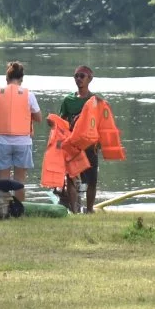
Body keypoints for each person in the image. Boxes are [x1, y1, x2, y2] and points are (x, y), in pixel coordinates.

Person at [0, 61, 41, 191]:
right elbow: (39, 118)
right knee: (20, 182)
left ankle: (4, 209)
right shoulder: (28, 95)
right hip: (23, 142)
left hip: (3, 142)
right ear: (21, 79)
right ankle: (19, 209)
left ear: (6, 78)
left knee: (3, 181)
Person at [54, 66, 105, 213]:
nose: (78, 79)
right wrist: (54, 125)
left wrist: (100, 144)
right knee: (71, 178)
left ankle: (89, 210)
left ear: (90, 79)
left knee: (92, 180)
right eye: (76, 76)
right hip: (73, 145)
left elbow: (102, 124)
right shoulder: (68, 100)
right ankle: (74, 210)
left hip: (91, 146)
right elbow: (61, 122)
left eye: (82, 76)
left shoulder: (96, 100)